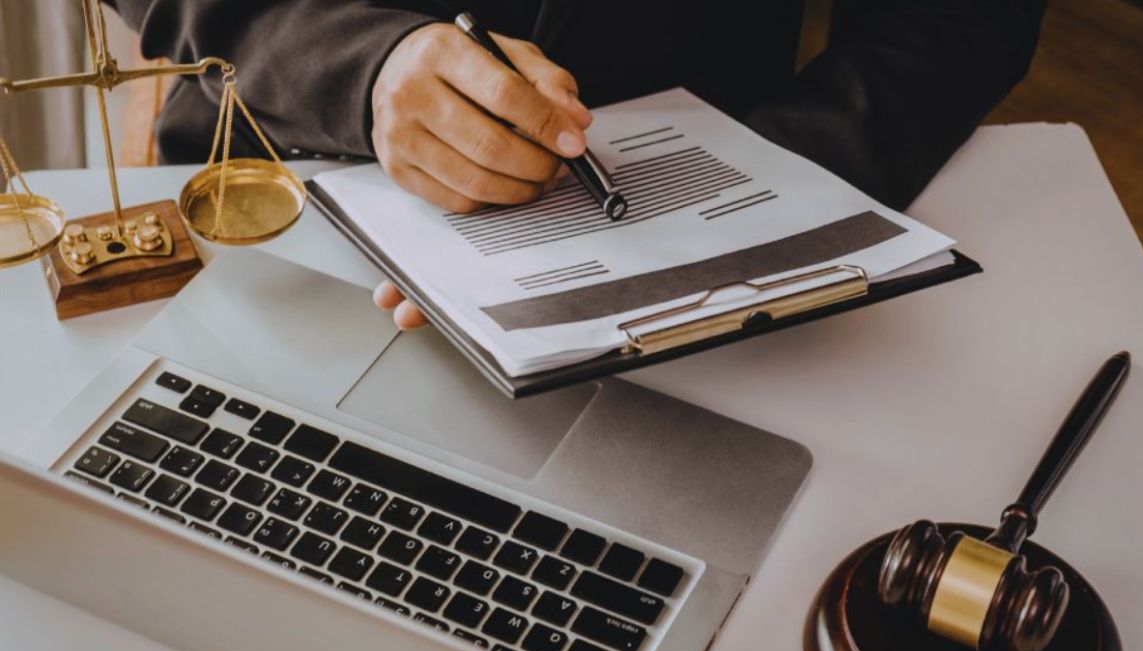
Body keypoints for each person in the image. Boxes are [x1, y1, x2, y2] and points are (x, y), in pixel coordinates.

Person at [108, 0, 1046, 328]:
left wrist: (759, 181)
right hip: (273, 200)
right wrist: (360, 69)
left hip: (712, 263)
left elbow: (961, 13)